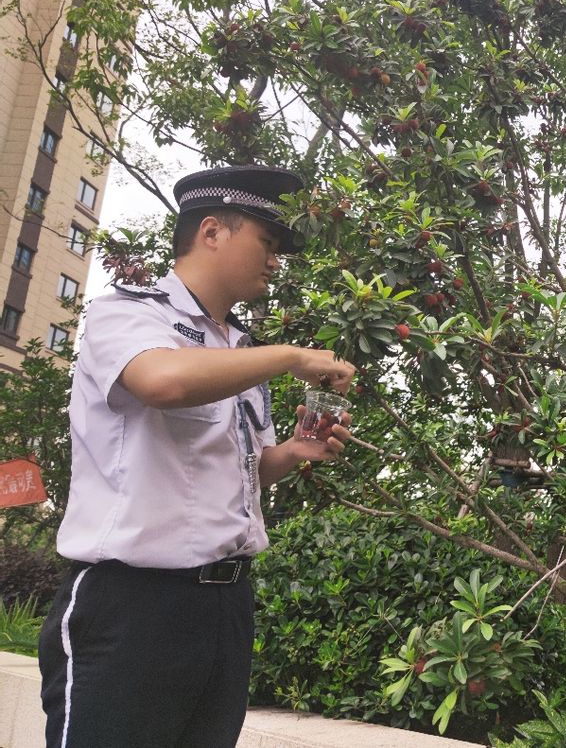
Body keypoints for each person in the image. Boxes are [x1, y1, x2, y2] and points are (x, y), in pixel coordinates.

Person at [39, 165, 357, 747]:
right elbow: (163, 382)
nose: (276, 261)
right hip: (132, 604)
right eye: (267, 242)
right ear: (212, 231)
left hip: (223, 607)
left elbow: (242, 471)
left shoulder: (238, 348)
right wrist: (292, 356)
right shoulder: (128, 313)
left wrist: (292, 452)